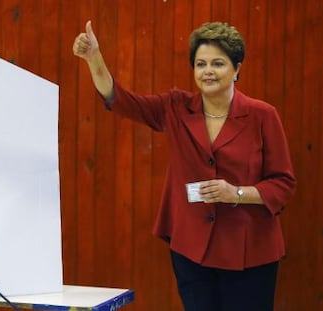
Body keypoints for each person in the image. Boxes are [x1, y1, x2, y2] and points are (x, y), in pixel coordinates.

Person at [73, 20, 296, 311]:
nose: (208, 71)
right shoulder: (176, 106)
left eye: (218, 63)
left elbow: (283, 183)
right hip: (192, 249)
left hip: (250, 251)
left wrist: (237, 193)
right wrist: (94, 59)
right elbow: (122, 101)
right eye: (201, 64)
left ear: (237, 68)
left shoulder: (262, 115)